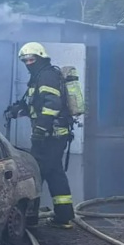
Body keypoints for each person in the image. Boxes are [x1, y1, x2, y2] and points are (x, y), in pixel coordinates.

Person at [5, 42, 76, 228]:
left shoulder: (46, 76)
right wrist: (16, 110)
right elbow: (32, 105)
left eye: (31, 59)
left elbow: (52, 105)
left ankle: (30, 218)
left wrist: (40, 129)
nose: (28, 63)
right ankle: (64, 216)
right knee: (55, 173)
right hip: (52, 136)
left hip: (51, 136)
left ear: (41, 57)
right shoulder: (38, 77)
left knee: (35, 172)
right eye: (25, 60)